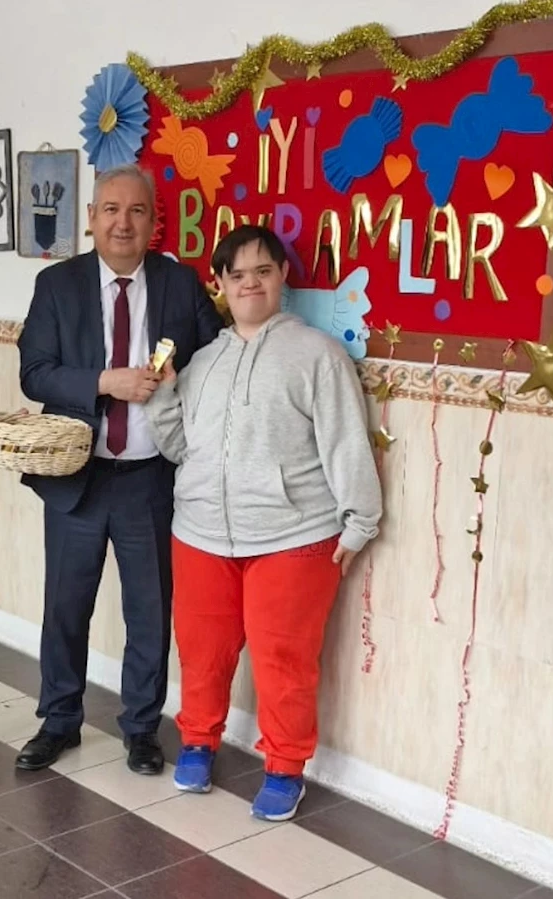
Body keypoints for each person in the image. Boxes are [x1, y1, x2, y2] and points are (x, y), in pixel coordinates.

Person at [145, 224, 382, 820]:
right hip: (199, 534)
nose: (250, 283)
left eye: (263, 272)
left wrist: (360, 521)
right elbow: (178, 447)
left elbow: (345, 442)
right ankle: (197, 742)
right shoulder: (202, 361)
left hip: (293, 538)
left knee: (284, 661)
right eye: (237, 275)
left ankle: (284, 768)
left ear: (282, 278)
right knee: (202, 652)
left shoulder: (317, 355)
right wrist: (163, 397)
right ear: (220, 284)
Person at [16, 164, 224, 775]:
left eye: (136, 211)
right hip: (77, 476)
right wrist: (105, 382)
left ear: (154, 221)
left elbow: (217, 357)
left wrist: (181, 380)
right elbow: (35, 374)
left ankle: (141, 729)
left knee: (149, 611)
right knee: (66, 606)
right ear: (91, 218)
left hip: (150, 479)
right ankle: (59, 721)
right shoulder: (57, 285)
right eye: (110, 209)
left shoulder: (180, 284)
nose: (122, 222)